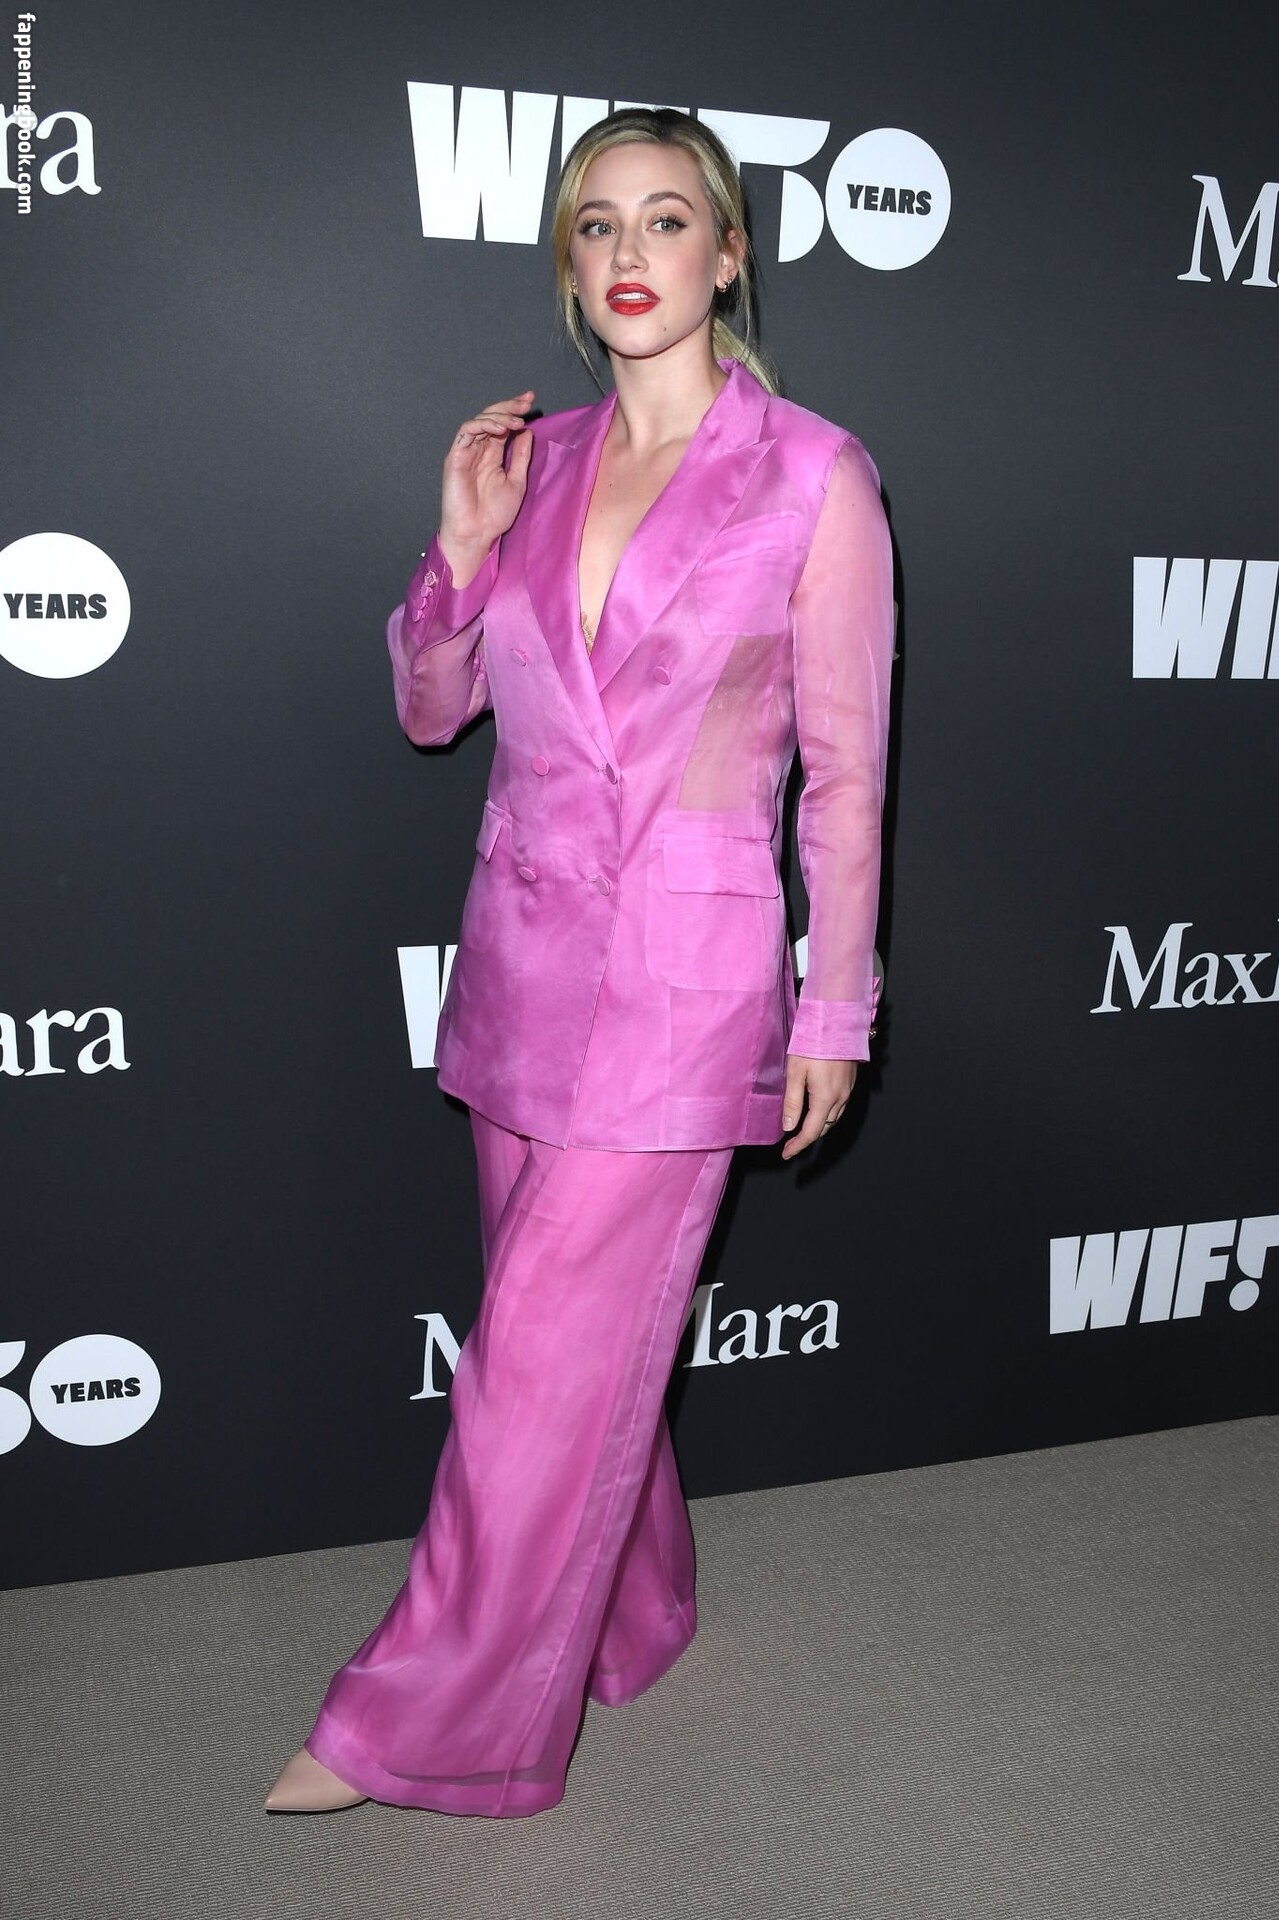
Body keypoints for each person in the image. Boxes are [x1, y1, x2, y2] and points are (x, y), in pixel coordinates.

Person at [266, 107, 894, 1819]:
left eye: (667, 218)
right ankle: (637, 1609)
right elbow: (432, 711)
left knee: (539, 1364)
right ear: (569, 262)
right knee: (570, 1341)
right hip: (520, 968)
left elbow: (845, 775)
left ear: (729, 253)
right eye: (597, 224)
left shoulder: (816, 476)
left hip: (685, 988)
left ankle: (428, 1721)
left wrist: (833, 1007)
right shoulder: (530, 464)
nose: (630, 252)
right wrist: (458, 551)